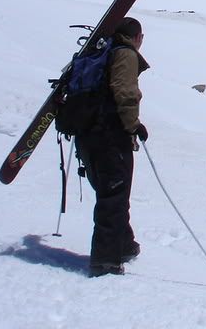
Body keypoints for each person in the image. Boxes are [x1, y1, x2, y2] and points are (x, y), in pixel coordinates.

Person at [75, 16, 150, 277]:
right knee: (114, 194)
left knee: (112, 191)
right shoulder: (124, 55)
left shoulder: (102, 54)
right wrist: (133, 125)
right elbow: (125, 91)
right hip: (109, 135)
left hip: (88, 134)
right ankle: (105, 261)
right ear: (137, 37)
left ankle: (124, 245)